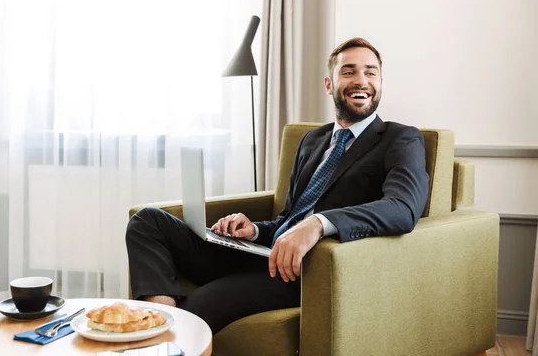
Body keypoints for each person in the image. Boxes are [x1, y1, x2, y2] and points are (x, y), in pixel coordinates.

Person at [125, 37, 429, 334]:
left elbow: (402, 208)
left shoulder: (399, 139)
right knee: (147, 221)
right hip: (262, 251)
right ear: (329, 84)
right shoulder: (313, 140)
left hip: (305, 270)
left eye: (370, 72)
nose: (361, 80)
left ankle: (163, 333)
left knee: (202, 304)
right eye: (348, 71)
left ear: (380, 83)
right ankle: (159, 319)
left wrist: (319, 224)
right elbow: (288, 219)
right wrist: (254, 230)